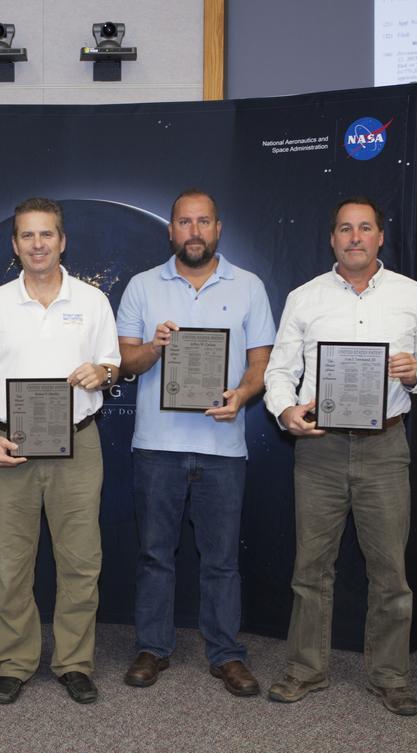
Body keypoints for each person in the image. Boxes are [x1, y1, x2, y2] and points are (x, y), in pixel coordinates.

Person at [262, 196, 417, 716]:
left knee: (390, 570)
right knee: (311, 568)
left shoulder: (413, 297)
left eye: (364, 228)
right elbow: (280, 370)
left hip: (386, 446)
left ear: (380, 237)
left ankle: (390, 676)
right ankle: (305, 669)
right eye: (344, 228)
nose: (354, 237)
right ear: (332, 239)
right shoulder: (305, 298)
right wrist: (285, 412)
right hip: (319, 449)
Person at [115, 189, 276, 695]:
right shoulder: (143, 287)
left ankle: (226, 653)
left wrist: (241, 397)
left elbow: (262, 364)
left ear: (218, 228)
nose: (194, 231)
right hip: (157, 447)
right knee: (155, 554)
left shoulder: (249, 286)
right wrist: (155, 347)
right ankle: (152, 647)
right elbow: (124, 362)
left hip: (223, 446)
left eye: (203, 221)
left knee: (222, 559)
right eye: (184, 222)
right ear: (171, 231)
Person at [0, 197, 121, 705]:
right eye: (27, 236)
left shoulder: (92, 301)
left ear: (63, 241)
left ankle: (74, 662)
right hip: (10, 443)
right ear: (15, 245)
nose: (38, 244)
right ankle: (14, 662)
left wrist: (103, 372)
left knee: (81, 561)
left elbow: (112, 366)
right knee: (10, 563)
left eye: (47, 235)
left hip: (77, 442)